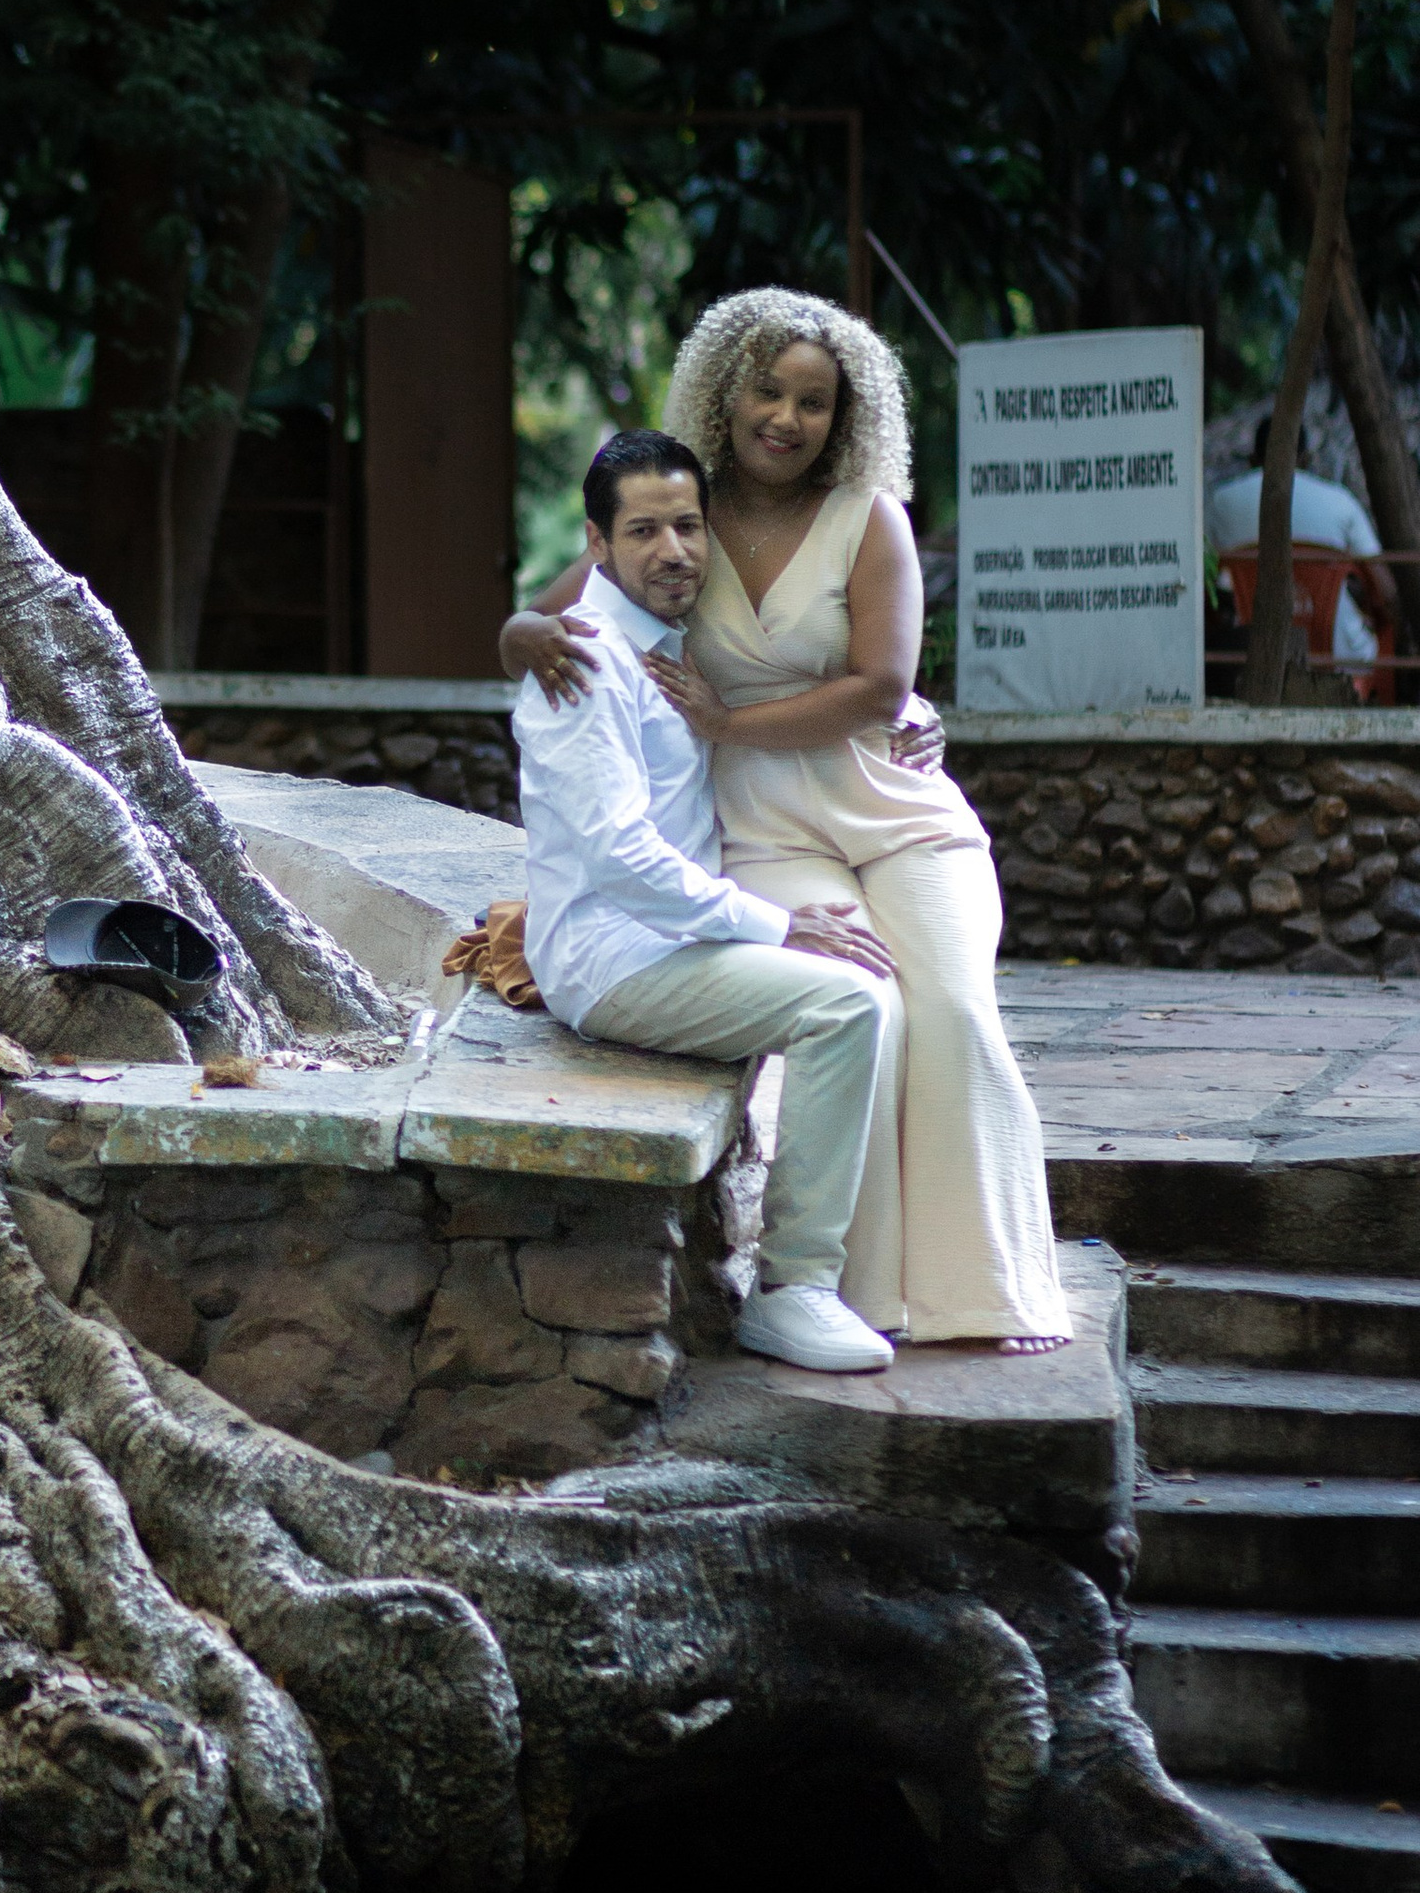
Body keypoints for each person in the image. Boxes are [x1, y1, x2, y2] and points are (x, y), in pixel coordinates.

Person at [502, 289, 1070, 1355]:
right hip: (763, 831)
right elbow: (553, 618)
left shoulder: (869, 517)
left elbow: (881, 680)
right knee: (865, 1007)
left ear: (841, 417)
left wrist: (737, 717)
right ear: (726, 391)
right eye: (767, 390)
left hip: (893, 807)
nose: (787, 416)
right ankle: (859, 1291)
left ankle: (990, 1288)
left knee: (951, 1007)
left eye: (813, 401)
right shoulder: (681, 509)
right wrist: (509, 637)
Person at [512, 424, 901, 1376]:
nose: (674, 550)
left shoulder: (667, 642)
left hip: (661, 938)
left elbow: (827, 674)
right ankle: (792, 1288)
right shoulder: (587, 660)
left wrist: (913, 715)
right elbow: (618, 856)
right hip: (613, 959)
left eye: (687, 526)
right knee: (847, 1003)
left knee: (872, 987)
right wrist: (776, 923)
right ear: (596, 546)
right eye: (643, 532)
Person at [1206, 418, 1397, 688]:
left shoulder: (1221, 502)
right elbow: (1387, 594)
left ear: (1252, 460)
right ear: (1306, 460)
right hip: (1340, 660)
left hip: (1251, 657)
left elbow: (1200, 580)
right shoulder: (1340, 502)